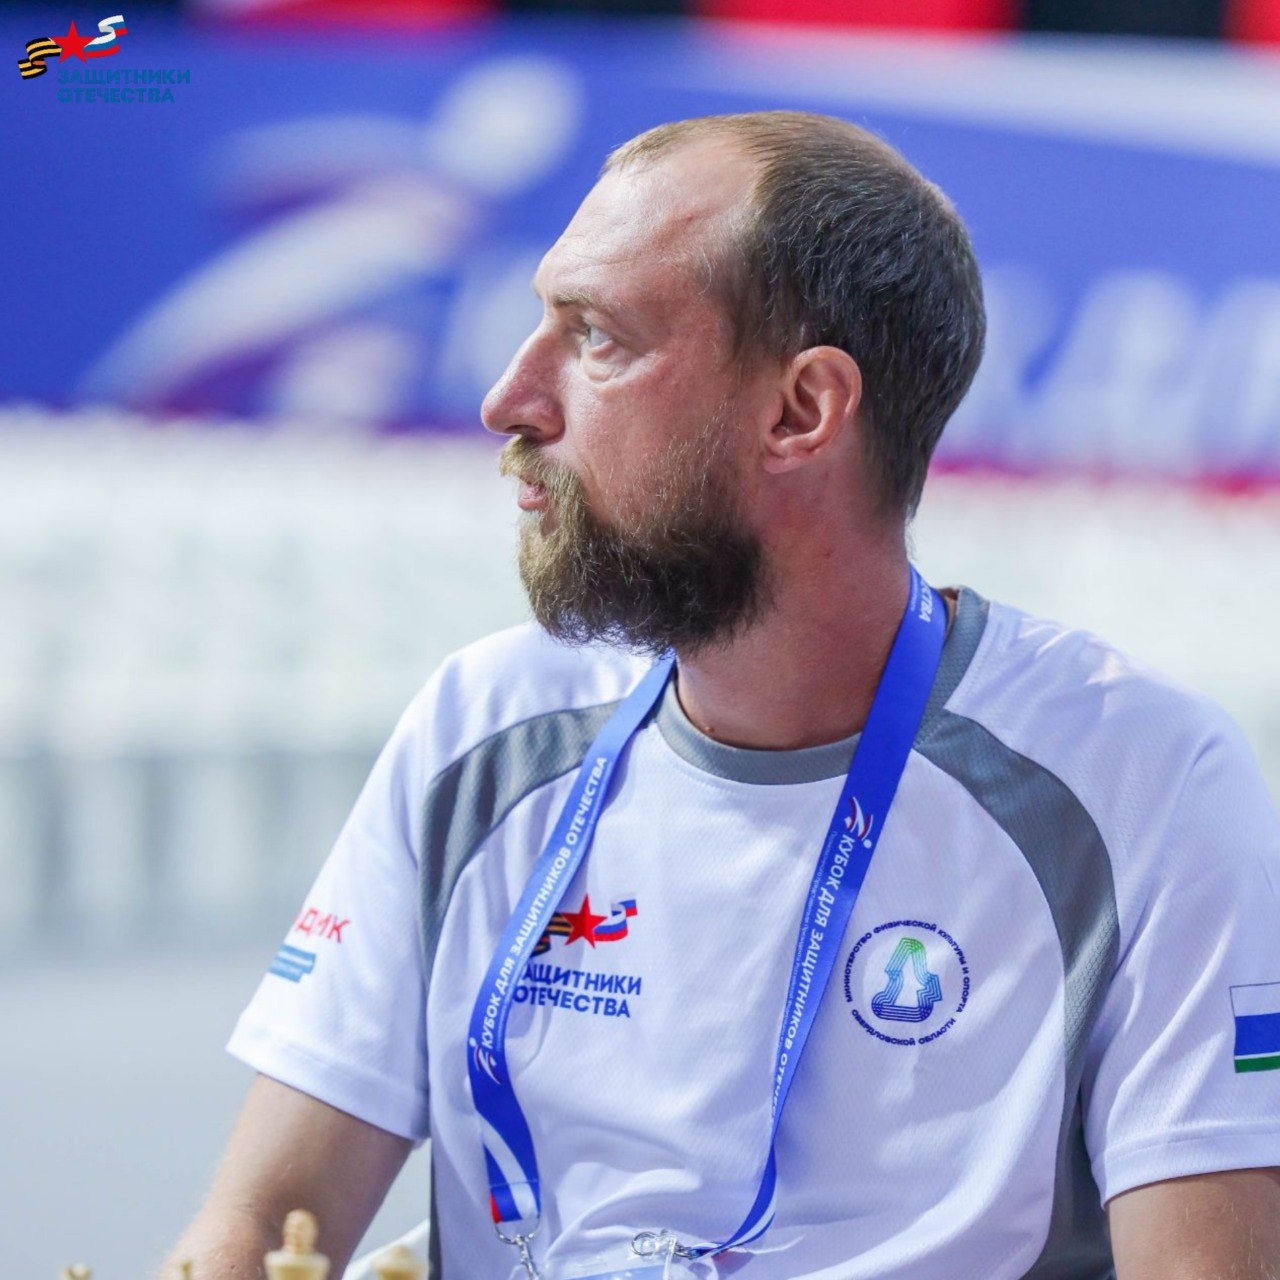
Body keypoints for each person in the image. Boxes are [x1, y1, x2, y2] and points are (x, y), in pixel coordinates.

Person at [161, 111, 1280, 1280]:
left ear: (799, 410)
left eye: (594, 337)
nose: (507, 397)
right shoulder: (481, 726)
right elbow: (259, 1223)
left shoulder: (1140, 779)